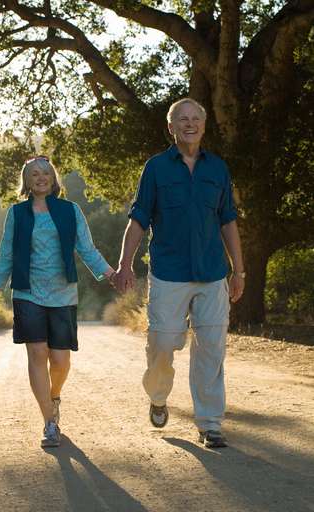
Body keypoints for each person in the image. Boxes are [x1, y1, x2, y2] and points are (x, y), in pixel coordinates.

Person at [115, 98, 244, 449]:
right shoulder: (156, 168)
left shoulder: (217, 169)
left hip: (212, 272)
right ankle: (158, 395)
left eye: (196, 119)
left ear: (204, 125)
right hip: (169, 273)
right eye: (182, 119)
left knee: (212, 348)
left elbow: (228, 220)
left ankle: (209, 423)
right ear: (170, 127)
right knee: (163, 342)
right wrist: (126, 263)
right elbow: (139, 218)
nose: (190, 124)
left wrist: (239, 271)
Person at [0, 156, 115, 448]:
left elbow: (87, 249)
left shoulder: (70, 210)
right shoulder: (16, 214)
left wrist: (111, 274)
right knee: (37, 354)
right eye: (34, 174)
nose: (40, 177)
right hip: (27, 292)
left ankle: (53, 396)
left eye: (45, 173)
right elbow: (5, 256)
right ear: (27, 181)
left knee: (60, 359)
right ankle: (49, 422)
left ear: (54, 179)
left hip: (63, 293)